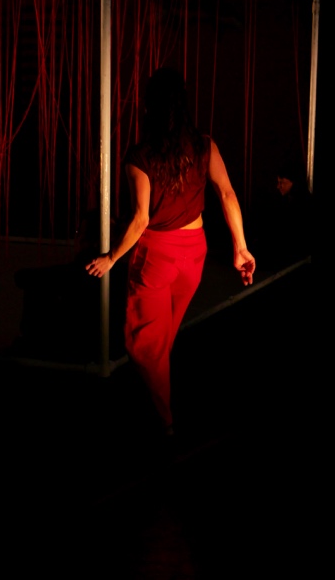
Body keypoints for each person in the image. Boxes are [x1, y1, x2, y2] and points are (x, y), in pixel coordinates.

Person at [86, 67, 255, 437]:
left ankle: (164, 422)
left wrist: (111, 258)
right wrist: (241, 248)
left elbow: (140, 219)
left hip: (157, 256)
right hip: (194, 253)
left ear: (149, 107)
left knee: (145, 343)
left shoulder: (140, 156)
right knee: (162, 339)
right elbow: (227, 194)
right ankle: (157, 405)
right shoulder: (204, 145)